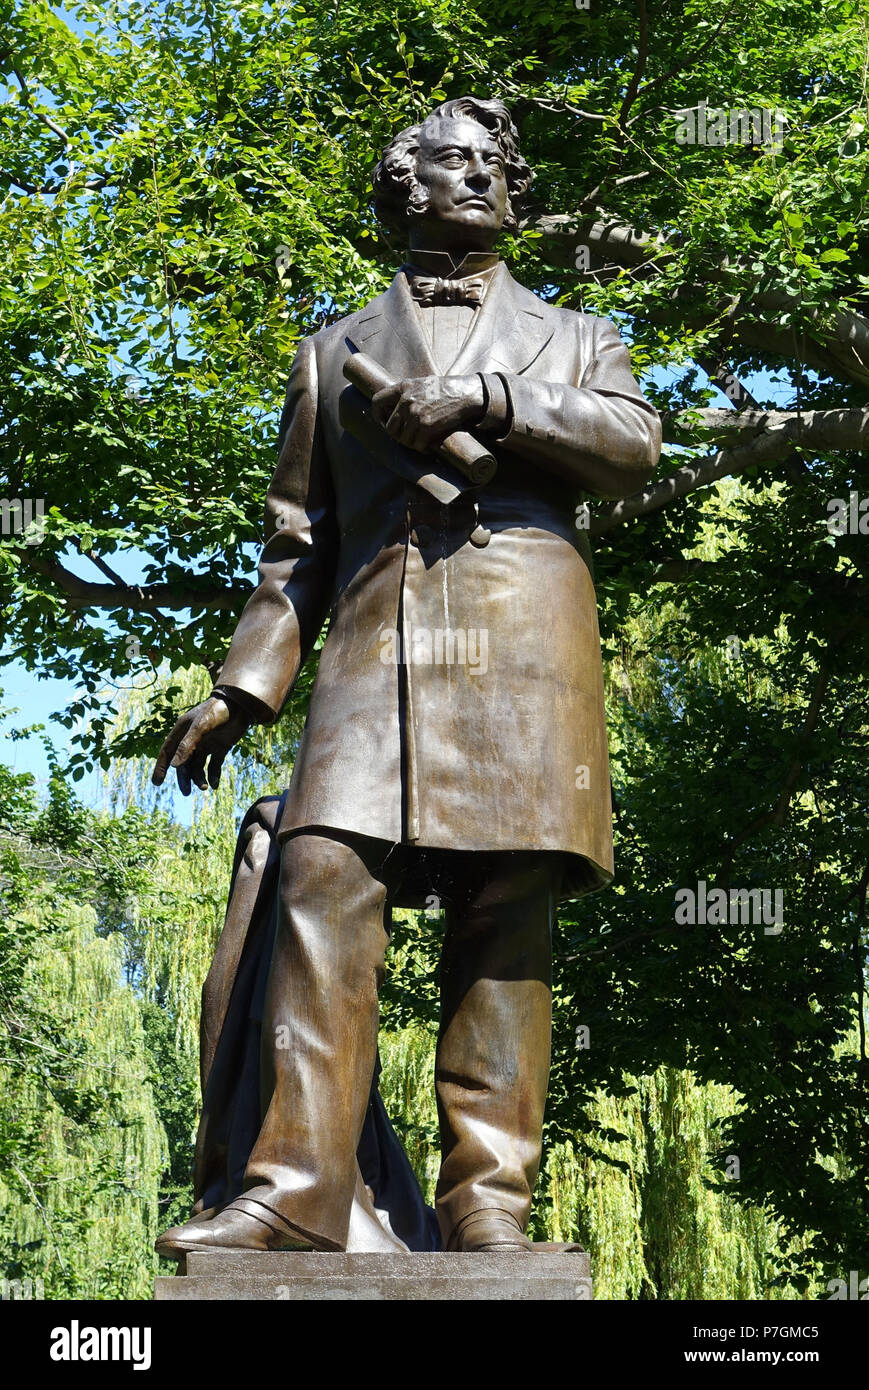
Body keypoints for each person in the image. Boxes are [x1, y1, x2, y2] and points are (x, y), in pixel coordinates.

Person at [152, 96, 661, 1257]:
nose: (476, 177)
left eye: (492, 165)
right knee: (320, 871)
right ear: (400, 188)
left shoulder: (578, 337)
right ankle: (294, 1183)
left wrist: (489, 401)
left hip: (524, 651)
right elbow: (298, 545)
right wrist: (242, 687)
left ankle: (487, 1200)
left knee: (502, 914)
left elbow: (634, 445)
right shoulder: (332, 352)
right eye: (449, 161)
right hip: (372, 648)